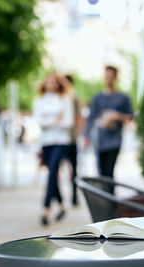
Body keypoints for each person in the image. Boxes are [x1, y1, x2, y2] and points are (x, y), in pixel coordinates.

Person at [33, 72, 74, 226]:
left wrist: (49, 121)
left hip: (61, 141)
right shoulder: (39, 99)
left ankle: (46, 209)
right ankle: (62, 205)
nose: (51, 84)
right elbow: (39, 122)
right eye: (48, 81)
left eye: (54, 81)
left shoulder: (65, 99)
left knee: (52, 172)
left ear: (58, 83)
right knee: (52, 173)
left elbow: (68, 122)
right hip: (46, 142)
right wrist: (56, 119)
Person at [83, 66, 133, 191]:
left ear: (115, 78)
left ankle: (111, 203)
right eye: (107, 77)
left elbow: (130, 117)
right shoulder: (97, 98)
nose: (108, 80)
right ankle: (104, 202)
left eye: (111, 77)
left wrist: (118, 116)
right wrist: (86, 137)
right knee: (101, 173)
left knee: (109, 172)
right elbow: (90, 118)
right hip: (99, 140)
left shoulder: (123, 98)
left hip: (114, 141)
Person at [64, 74, 82, 206]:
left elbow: (78, 117)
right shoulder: (59, 98)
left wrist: (78, 133)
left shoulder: (74, 98)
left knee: (73, 169)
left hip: (71, 139)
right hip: (59, 140)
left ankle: (74, 196)